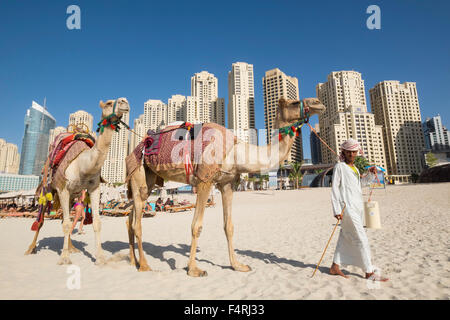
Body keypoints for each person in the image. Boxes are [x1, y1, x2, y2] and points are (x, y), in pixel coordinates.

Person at [330, 138, 388, 282]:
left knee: (345, 237)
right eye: (349, 152)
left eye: (354, 152)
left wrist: (370, 174)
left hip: (357, 207)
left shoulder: (355, 169)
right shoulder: (340, 167)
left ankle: (335, 266)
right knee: (361, 238)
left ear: (357, 152)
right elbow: (335, 188)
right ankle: (369, 272)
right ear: (344, 152)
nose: (352, 154)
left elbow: (360, 184)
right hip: (346, 208)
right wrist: (337, 209)